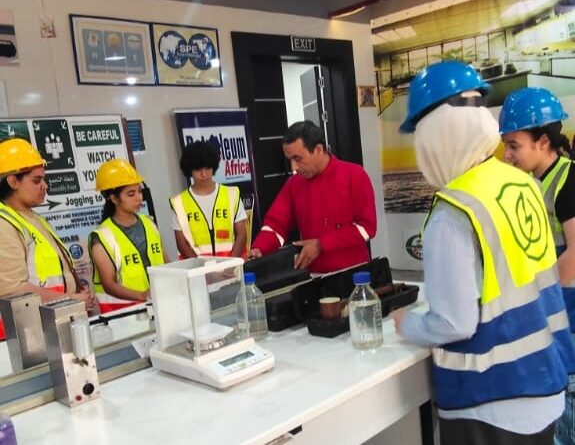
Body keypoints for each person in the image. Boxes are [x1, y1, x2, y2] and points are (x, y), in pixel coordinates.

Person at [391, 61, 575, 445]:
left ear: (434, 135)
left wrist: (408, 324)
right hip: (545, 381)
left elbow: (455, 323)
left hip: (492, 401)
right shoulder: (522, 183)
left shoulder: (454, 212)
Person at [498, 87, 575, 445]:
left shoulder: (568, 181)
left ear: (543, 142)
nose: (507, 155)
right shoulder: (529, 182)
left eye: (514, 146)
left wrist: (535, 299)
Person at [249, 120, 377, 273]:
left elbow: (367, 227)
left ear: (318, 150)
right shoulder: (294, 184)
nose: (294, 167)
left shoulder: (355, 175)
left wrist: (322, 244)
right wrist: (259, 248)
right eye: (290, 160)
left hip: (355, 275)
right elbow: (275, 226)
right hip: (314, 276)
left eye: (298, 159)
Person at [0, 138, 96, 337]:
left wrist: (74, 299)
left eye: (44, 179)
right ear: (13, 182)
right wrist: (71, 301)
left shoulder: (33, 218)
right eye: (36, 181)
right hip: (28, 335)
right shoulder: (4, 224)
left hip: (51, 327)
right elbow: (12, 289)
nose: (44, 186)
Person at [90, 159, 167, 313]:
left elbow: (166, 262)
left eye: (139, 191)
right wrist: (143, 296)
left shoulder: (148, 223)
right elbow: (109, 284)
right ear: (113, 198)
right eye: (131, 194)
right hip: (124, 315)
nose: (139, 197)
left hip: (160, 308)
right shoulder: (102, 236)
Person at [170, 140, 247, 258]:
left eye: (207, 168)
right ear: (189, 170)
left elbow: (241, 234)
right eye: (198, 169)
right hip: (196, 268)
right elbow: (181, 244)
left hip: (231, 266)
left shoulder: (232, 194)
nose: (204, 174)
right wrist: (201, 267)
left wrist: (231, 264)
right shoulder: (178, 203)